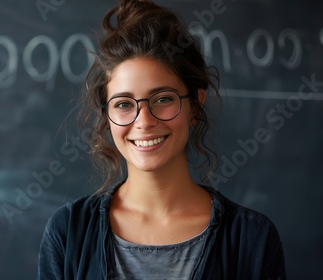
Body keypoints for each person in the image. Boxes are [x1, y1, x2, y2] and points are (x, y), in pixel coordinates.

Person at [37, 0, 286, 279]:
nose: (144, 121)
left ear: (195, 104)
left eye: (163, 99)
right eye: (123, 104)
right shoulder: (68, 232)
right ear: (106, 114)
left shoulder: (252, 240)